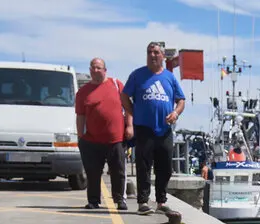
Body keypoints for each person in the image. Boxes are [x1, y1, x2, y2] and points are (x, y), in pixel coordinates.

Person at [123, 42, 186, 215]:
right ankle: (143, 202)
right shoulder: (137, 75)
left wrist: (175, 113)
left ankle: (161, 201)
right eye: (150, 52)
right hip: (144, 128)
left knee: (164, 167)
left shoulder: (170, 78)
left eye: (156, 52)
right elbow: (124, 95)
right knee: (143, 166)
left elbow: (181, 100)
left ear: (163, 56)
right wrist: (132, 112)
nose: (152, 55)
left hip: (164, 129)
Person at [76, 57, 129, 211]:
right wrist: (80, 137)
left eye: (99, 67)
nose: (95, 70)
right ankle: (93, 201)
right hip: (92, 140)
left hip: (115, 139)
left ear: (105, 70)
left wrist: (130, 126)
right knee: (92, 173)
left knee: (118, 172)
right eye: (93, 67)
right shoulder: (83, 92)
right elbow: (80, 116)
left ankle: (120, 200)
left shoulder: (116, 85)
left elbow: (128, 108)